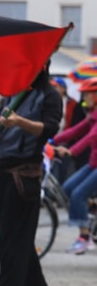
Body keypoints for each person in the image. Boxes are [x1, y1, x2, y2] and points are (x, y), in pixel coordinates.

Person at [0, 66, 61, 286]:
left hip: (25, 175)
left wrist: (20, 122)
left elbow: (50, 129)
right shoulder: (14, 93)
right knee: (14, 237)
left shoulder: (49, 95)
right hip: (4, 171)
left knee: (15, 239)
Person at [51, 78, 97, 254]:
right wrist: (51, 139)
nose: (84, 97)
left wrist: (72, 151)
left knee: (78, 194)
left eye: (87, 94)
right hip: (93, 163)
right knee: (68, 187)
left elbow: (91, 137)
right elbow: (76, 131)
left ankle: (84, 238)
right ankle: (92, 208)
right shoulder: (92, 115)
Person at [50, 75, 86, 184]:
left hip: (67, 144)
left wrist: (71, 150)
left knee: (63, 174)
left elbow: (87, 136)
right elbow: (76, 130)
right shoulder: (49, 101)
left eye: (56, 87)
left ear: (63, 88)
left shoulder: (73, 104)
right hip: (54, 138)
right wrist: (54, 140)